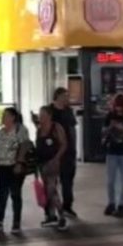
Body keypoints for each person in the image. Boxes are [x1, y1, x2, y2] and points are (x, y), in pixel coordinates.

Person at [0, 107, 31, 234]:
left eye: (6, 115)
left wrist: (19, 163)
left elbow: (24, 146)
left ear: (13, 117)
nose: (3, 118)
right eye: (3, 116)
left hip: (15, 166)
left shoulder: (20, 130)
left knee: (15, 194)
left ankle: (16, 223)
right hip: (2, 166)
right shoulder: (0, 132)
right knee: (2, 194)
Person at [36, 105, 68, 230]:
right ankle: (51, 215)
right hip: (41, 163)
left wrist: (56, 159)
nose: (40, 117)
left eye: (42, 114)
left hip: (52, 163)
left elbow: (64, 144)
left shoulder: (56, 127)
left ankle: (61, 216)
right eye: (40, 114)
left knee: (51, 190)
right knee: (47, 190)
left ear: (49, 115)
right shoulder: (39, 129)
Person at [50, 88, 78, 218]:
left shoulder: (68, 111)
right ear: (58, 97)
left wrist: (74, 147)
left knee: (68, 180)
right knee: (51, 181)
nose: (67, 98)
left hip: (69, 151)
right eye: (65, 96)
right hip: (54, 150)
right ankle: (52, 209)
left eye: (67, 96)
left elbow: (72, 129)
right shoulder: (49, 111)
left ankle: (67, 206)